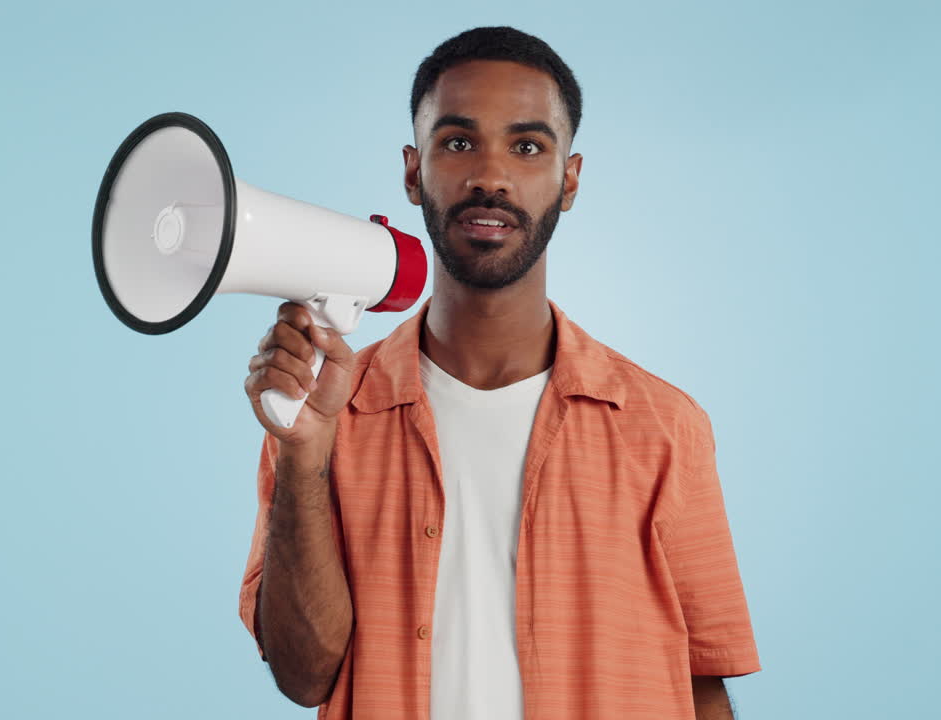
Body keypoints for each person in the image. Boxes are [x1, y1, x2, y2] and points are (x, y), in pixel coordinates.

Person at [238, 26, 760, 720]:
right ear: (412, 171)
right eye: (458, 143)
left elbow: (702, 682)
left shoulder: (665, 428)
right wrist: (306, 455)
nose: (490, 176)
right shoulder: (321, 413)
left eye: (527, 146)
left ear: (569, 178)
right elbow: (303, 678)